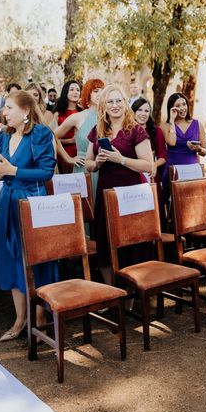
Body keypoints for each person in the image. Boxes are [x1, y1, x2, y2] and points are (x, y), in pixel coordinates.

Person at [0, 90, 57, 341]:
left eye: (8, 107)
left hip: (31, 203)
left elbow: (47, 172)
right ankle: (19, 319)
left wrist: (13, 169)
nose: (3, 112)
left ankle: (39, 316)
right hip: (7, 200)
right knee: (12, 258)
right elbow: (5, 170)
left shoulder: (40, 133)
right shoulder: (5, 135)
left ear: (26, 111)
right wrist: (0, 172)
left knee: (35, 260)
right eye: (4, 108)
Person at [84, 85, 153, 285]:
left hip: (131, 193)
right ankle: (112, 291)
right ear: (103, 106)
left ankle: (131, 292)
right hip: (106, 192)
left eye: (118, 101)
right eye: (110, 102)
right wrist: (96, 163)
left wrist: (120, 159)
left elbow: (148, 165)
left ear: (125, 104)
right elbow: (88, 164)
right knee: (105, 243)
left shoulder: (136, 130)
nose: (115, 106)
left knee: (131, 244)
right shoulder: (97, 130)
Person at [55, 78, 104, 193]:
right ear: (88, 93)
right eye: (96, 91)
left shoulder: (110, 117)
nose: (100, 94)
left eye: (103, 90)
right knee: (84, 208)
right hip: (83, 170)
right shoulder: (77, 117)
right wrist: (68, 158)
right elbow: (51, 136)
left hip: (107, 170)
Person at [132, 97, 167, 188]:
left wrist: (154, 165)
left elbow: (163, 156)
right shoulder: (126, 131)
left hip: (150, 174)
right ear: (133, 112)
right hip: (131, 173)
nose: (143, 114)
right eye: (140, 110)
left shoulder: (156, 131)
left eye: (146, 111)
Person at [52, 81, 82, 158]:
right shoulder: (58, 114)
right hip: (63, 154)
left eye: (78, 90)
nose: (75, 92)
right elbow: (51, 138)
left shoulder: (84, 112)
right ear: (66, 92)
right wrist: (70, 141)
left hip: (81, 153)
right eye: (71, 89)